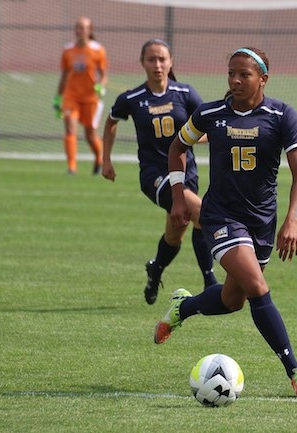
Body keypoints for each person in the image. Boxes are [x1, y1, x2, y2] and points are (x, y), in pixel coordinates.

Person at [154, 47, 297, 398]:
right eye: (231, 73)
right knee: (258, 288)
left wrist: (292, 220)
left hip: (261, 223)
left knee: (233, 300)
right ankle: (296, 371)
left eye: (244, 74)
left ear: (263, 78)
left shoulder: (282, 115)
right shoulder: (211, 112)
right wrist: (180, 195)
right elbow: (176, 148)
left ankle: (184, 307)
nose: (236, 80)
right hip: (221, 217)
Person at [101, 38, 217, 305]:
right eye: (151, 59)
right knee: (202, 213)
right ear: (142, 63)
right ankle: (211, 281)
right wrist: (106, 160)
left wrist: (186, 140)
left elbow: (207, 126)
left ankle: (155, 271)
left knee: (175, 233)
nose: (157, 64)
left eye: (162, 59)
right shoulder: (131, 98)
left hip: (187, 175)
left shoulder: (185, 93)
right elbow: (111, 122)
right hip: (154, 176)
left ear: (171, 62)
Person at [53, 16, 108, 175]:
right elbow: (64, 75)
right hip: (71, 96)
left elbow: (104, 75)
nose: (79, 31)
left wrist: (101, 86)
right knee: (70, 128)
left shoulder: (98, 50)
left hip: (90, 98)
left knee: (90, 135)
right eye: (77, 27)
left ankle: (99, 158)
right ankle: (71, 167)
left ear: (89, 30)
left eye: (82, 28)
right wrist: (58, 97)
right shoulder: (68, 50)